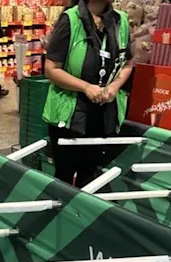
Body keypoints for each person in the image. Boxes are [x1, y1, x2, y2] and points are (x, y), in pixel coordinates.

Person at [42, 0, 134, 188]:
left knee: (91, 176)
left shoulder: (121, 21)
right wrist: (85, 87)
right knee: (64, 179)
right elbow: (51, 69)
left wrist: (115, 86)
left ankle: (83, 216)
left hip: (103, 116)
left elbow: (128, 63)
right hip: (69, 116)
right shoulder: (71, 20)